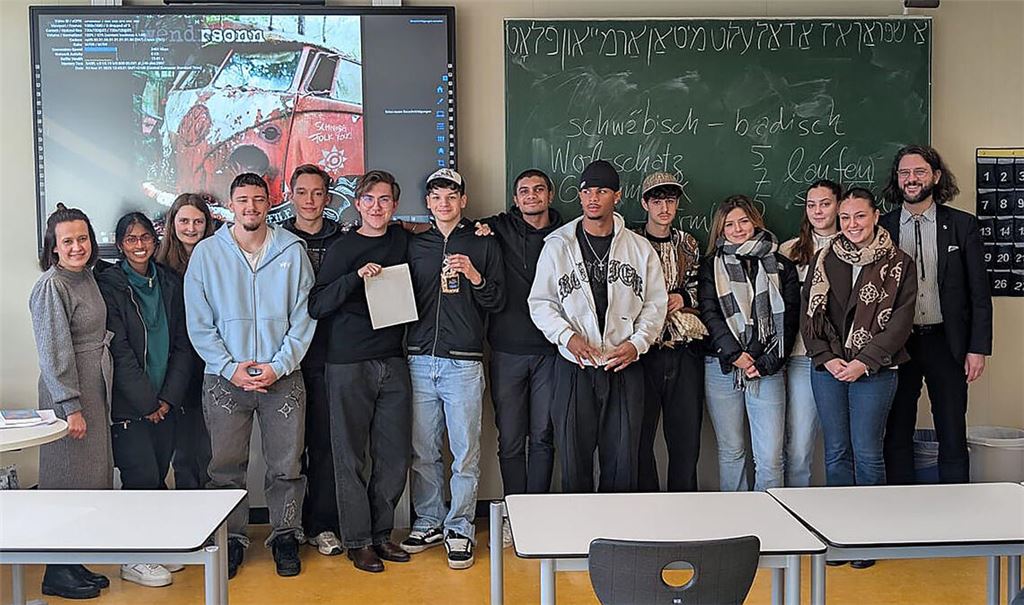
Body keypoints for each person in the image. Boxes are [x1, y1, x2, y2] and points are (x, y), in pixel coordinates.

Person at [184, 173, 316, 579]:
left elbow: (304, 316)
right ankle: (232, 539)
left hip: (283, 378)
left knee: (287, 466)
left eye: (258, 199)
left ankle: (286, 535)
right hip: (225, 381)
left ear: (269, 202)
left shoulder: (292, 250)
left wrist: (279, 365)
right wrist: (229, 367)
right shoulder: (207, 253)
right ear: (231, 204)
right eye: (243, 200)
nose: (251, 207)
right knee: (224, 469)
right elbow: (199, 322)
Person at [529, 160, 668, 494]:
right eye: (587, 191)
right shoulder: (558, 245)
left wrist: (638, 344)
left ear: (617, 196)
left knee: (623, 462)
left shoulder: (639, 248)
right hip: (576, 365)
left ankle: (617, 527)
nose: (593, 198)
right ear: (580, 196)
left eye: (602, 191)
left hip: (624, 364)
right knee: (574, 460)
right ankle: (578, 529)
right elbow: (541, 302)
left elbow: (655, 304)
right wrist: (567, 337)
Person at [802, 188, 918, 570]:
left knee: (868, 453)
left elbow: (900, 323)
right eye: (846, 217)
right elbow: (808, 315)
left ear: (876, 216)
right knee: (836, 452)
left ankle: (868, 537)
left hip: (876, 370)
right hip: (830, 369)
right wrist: (827, 358)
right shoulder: (825, 258)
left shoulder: (899, 263)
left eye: (860, 216)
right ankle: (840, 536)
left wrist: (864, 362)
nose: (852, 224)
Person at [399, 168, 505, 570]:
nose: (444, 203)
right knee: (423, 451)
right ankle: (429, 520)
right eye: (436, 197)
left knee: (465, 453)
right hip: (419, 359)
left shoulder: (483, 242)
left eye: (451, 196)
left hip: (464, 362)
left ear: (463, 201)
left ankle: (460, 527)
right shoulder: (415, 244)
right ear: (428, 203)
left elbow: (498, 301)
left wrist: (474, 275)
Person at [308, 170, 413, 573]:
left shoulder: (402, 239)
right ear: (357, 204)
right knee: (349, 456)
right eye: (369, 199)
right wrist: (355, 277)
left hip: (394, 360)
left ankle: (382, 534)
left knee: (394, 455)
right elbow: (317, 305)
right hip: (348, 362)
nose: (376, 207)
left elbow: (432, 233)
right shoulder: (343, 248)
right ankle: (357, 540)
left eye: (384, 200)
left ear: (395, 206)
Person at [880, 144, 992, 485]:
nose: (911, 179)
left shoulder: (962, 225)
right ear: (897, 179)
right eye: (904, 173)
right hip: (897, 343)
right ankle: (900, 501)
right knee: (896, 428)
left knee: (952, 427)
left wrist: (978, 348)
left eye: (919, 172)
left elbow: (979, 293)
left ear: (936, 176)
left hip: (947, 340)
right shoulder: (882, 227)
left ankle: (956, 504)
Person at [96, 212, 193, 588]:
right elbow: (119, 350)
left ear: (156, 240)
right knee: (140, 479)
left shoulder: (169, 281)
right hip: (129, 405)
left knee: (158, 476)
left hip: (166, 401)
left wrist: (167, 398)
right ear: (120, 245)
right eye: (131, 239)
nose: (140, 245)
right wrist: (147, 403)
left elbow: (183, 344)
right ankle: (133, 558)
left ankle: (154, 547)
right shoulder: (110, 285)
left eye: (146, 238)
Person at [29, 205, 113, 599]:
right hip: (70, 396)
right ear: (54, 247)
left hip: (92, 390)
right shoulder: (52, 286)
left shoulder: (85, 277)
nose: (77, 246)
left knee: (90, 480)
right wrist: (70, 407)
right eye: (68, 241)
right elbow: (54, 352)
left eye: (83, 238)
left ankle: (73, 559)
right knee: (66, 480)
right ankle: (56, 570)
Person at [476, 169, 564, 544]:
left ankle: (538, 516)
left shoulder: (567, 234)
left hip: (552, 352)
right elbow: (453, 226)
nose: (531, 196)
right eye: (524, 191)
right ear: (515, 199)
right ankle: (514, 514)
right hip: (507, 350)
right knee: (510, 439)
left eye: (538, 190)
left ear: (550, 195)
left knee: (543, 436)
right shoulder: (499, 228)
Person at [698, 195, 799, 492]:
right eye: (729, 224)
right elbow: (710, 313)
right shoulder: (711, 266)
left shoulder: (780, 265)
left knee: (770, 458)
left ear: (755, 222)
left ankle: (771, 515)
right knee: (732, 452)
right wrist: (735, 355)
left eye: (743, 221)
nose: (738, 229)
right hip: (723, 367)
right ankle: (736, 514)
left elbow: (789, 319)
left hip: (767, 367)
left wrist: (762, 362)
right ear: (721, 230)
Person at [281, 164, 344, 557]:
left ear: (328, 197)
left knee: (324, 445)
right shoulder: (276, 239)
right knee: (288, 451)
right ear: (291, 195)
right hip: (284, 358)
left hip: (329, 357)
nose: (309, 200)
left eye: (317, 193)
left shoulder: (343, 239)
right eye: (302, 192)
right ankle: (289, 527)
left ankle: (322, 525)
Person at [633, 172, 706, 492]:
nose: (664, 208)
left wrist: (684, 298)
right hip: (643, 351)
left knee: (685, 438)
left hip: (683, 347)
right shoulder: (631, 241)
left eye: (671, 201)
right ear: (645, 203)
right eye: (657, 201)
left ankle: (684, 505)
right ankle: (647, 506)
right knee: (639, 437)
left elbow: (702, 287)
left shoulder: (687, 243)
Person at [779, 179, 841, 487]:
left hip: (844, 357)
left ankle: (843, 504)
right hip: (802, 355)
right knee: (800, 443)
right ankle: (795, 504)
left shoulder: (856, 244)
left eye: (825, 204)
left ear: (839, 206)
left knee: (841, 443)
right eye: (811, 205)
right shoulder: (789, 250)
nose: (818, 211)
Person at [155, 193, 215, 491]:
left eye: (198, 221)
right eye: (184, 221)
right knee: (184, 452)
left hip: (213, 363)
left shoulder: (219, 260)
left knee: (211, 450)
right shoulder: (158, 266)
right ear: (172, 223)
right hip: (175, 367)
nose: (191, 228)